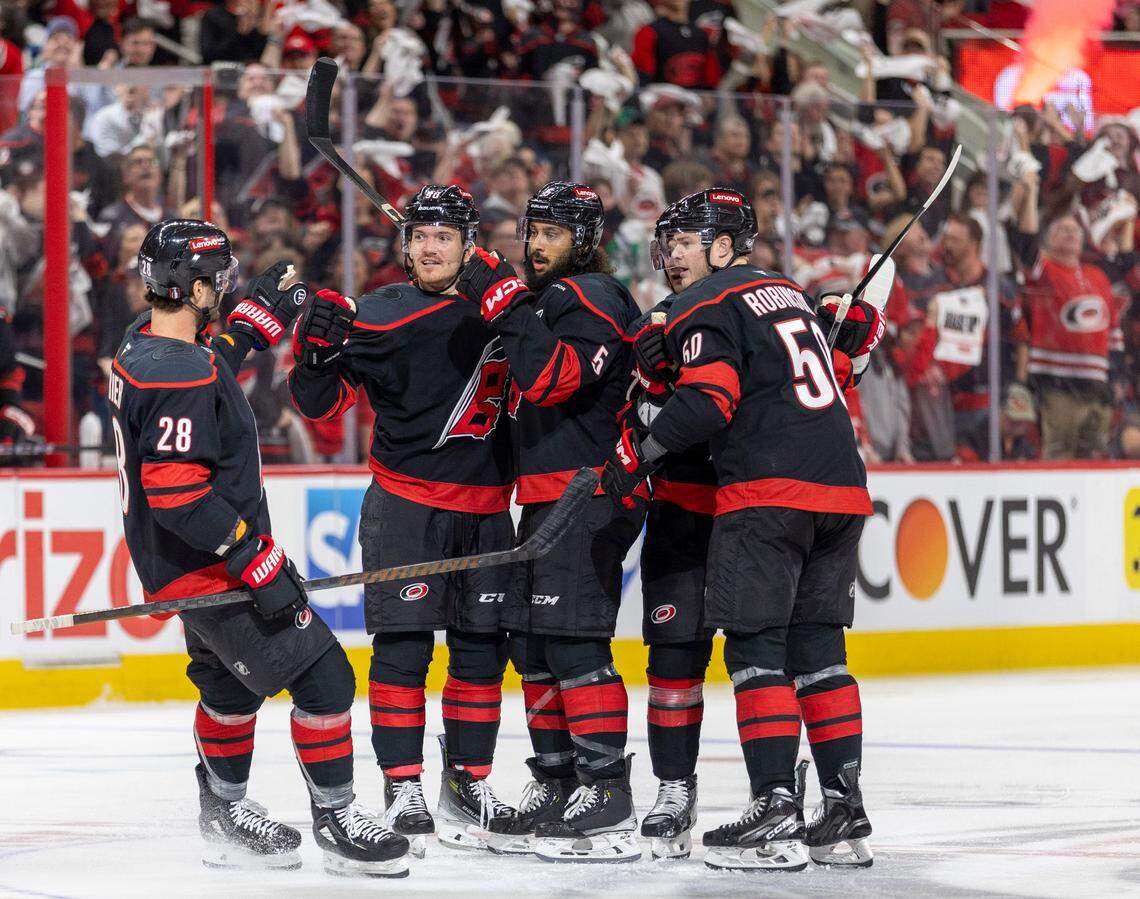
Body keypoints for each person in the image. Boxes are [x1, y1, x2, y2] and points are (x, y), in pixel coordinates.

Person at [109, 219, 409, 877]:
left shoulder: (145, 344)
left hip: (179, 566)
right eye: (215, 281)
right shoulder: (177, 373)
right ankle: (336, 817)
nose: (222, 287)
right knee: (326, 676)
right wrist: (252, 555)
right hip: (213, 569)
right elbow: (179, 493)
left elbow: (214, 358)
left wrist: (255, 321)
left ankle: (223, 810)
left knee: (229, 687)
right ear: (191, 287)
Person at [600, 188, 878, 872]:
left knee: (757, 649)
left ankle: (775, 804)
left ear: (723, 247)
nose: (671, 254)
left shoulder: (706, 301)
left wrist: (639, 450)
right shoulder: (784, 291)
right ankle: (842, 805)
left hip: (767, 491)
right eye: (669, 242)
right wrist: (855, 348)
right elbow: (824, 377)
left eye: (686, 242)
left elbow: (711, 399)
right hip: (842, 489)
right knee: (819, 651)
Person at [289, 185, 520, 855]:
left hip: (488, 510)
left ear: (469, 243)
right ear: (403, 243)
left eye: (443, 235)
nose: (429, 245)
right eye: (419, 234)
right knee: (404, 648)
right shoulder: (380, 314)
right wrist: (315, 355)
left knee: (481, 652)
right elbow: (319, 405)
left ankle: (469, 779)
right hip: (407, 506)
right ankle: (403, 783)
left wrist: (509, 290)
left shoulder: (508, 304)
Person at [457, 182, 645, 862]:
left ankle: (606, 789)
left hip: (588, 492)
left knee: (572, 643)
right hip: (544, 496)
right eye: (531, 230)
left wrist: (504, 298)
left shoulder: (596, 297)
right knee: (533, 646)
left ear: (585, 241)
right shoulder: (550, 300)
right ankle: (560, 779)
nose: (534, 245)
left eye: (553, 234)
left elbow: (551, 377)